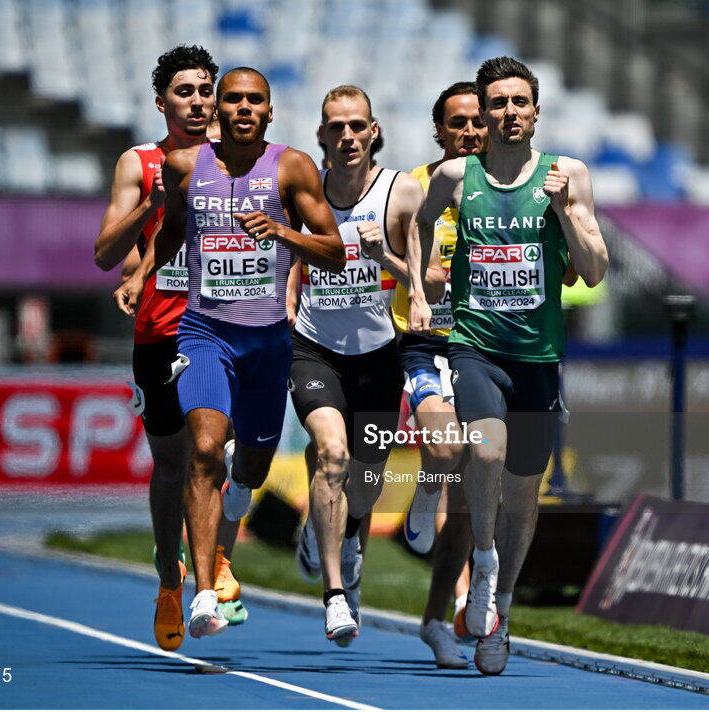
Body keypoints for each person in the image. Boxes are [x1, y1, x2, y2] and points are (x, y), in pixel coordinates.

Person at [115, 66, 344, 639]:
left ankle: (230, 524)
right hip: (203, 332)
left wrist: (282, 233)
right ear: (218, 110)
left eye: (255, 101)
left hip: (267, 341)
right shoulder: (185, 166)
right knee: (203, 449)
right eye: (233, 100)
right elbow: (170, 232)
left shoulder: (292, 167)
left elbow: (335, 252)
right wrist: (142, 275)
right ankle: (203, 593)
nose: (243, 108)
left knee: (253, 465)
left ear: (270, 112)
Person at [407, 56, 609, 675]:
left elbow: (595, 270)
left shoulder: (565, 174)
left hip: (539, 360)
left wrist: (565, 218)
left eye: (520, 102)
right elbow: (414, 225)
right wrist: (417, 290)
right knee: (485, 452)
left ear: (536, 111)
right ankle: (485, 558)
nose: (509, 113)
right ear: (486, 111)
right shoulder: (454, 177)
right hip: (475, 348)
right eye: (498, 103)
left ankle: (502, 609)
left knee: (524, 496)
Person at [93, 45, 250, 651]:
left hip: (226, 326)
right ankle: (167, 576)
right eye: (186, 91)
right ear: (163, 103)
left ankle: (216, 562)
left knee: (225, 448)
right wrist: (151, 213)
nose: (200, 101)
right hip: (160, 331)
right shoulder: (139, 162)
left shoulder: (242, 160)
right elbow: (106, 253)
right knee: (172, 464)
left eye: (206, 89)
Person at [288, 85, 432, 645]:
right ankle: (335, 595)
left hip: (378, 355)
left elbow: (423, 279)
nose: (348, 136)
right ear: (322, 136)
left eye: (357, 126)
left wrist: (383, 259)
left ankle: (332, 531)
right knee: (332, 453)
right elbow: (289, 265)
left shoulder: (401, 193)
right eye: (336, 127)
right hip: (315, 348)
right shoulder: (305, 194)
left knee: (365, 488)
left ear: (373, 131)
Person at [390, 81, 487, 669]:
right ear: (439, 131)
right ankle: (426, 491)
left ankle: (436, 618)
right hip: (424, 345)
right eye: (458, 122)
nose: (471, 131)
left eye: (478, 120)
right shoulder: (413, 187)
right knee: (449, 455)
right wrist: (421, 273)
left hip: (485, 348)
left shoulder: (509, 190)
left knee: (476, 497)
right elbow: (387, 259)